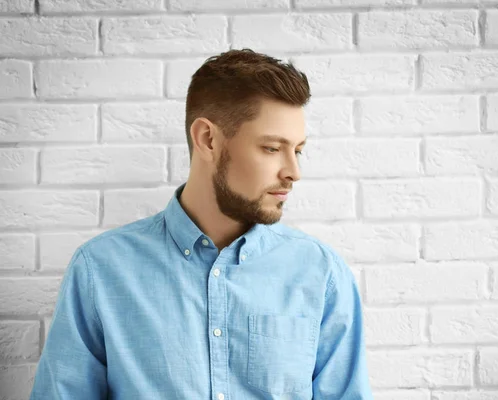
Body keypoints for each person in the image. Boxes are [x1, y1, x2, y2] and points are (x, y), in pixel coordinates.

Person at [30, 49, 373, 399]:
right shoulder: (101, 270)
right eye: (272, 148)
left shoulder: (321, 274)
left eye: (297, 150)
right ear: (208, 139)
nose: (293, 172)